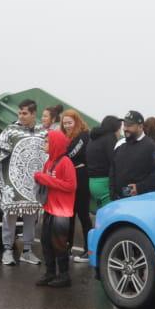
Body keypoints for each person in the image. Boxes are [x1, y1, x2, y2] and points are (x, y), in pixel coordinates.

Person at [0, 99, 45, 266]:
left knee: (31, 217)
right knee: (9, 216)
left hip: (33, 184)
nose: (21, 116)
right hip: (12, 183)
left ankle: (27, 251)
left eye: (25, 113)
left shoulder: (43, 132)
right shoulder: (10, 130)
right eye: (19, 113)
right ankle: (7, 250)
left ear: (34, 114)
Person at [33, 129, 77, 287]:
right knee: (46, 241)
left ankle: (64, 275)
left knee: (59, 243)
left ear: (55, 144)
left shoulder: (66, 162)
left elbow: (71, 186)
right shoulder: (49, 162)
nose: (44, 144)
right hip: (49, 208)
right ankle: (50, 273)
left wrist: (44, 178)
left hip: (61, 210)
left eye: (47, 141)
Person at [110, 110, 155, 200]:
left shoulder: (152, 147)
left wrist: (139, 188)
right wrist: (113, 194)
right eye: (124, 125)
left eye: (129, 125)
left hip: (139, 201)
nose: (125, 128)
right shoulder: (121, 145)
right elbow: (113, 170)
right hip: (118, 200)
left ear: (140, 127)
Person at [58, 109, 92, 254]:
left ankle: (88, 248)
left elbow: (70, 153)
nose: (67, 126)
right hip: (67, 178)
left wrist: (61, 156)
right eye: (64, 123)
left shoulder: (84, 135)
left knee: (83, 215)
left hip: (81, 177)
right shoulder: (64, 136)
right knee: (69, 215)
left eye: (70, 123)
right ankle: (67, 246)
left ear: (76, 121)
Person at [84, 114, 122, 213]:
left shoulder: (93, 138)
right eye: (119, 129)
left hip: (92, 182)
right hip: (104, 183)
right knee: (109, 214)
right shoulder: (110, 138)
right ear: (115, 128)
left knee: (101, 213)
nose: (120, 132)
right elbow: (114, 161)